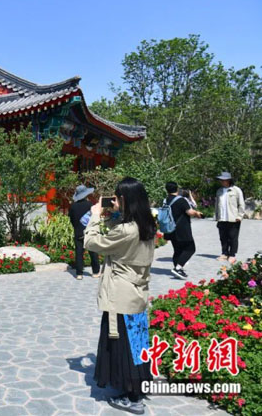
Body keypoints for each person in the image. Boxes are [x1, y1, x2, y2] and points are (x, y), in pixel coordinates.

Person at [84, 177, 155, 414]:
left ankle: (133, 398)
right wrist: (115, 214)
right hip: (137, 293)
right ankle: (138, 387)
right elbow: (121, 233)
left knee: (122, 345)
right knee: (136, 344)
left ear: (124, 199)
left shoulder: (126, 230)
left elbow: (91, 242)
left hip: (120, 295)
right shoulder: (146, 225)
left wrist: (95, 216)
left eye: (116, 198)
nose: (113, 201)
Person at [163, 182, 203, 279]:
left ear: (167, 190)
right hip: (182, 229)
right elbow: (189, 212)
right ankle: (178, 268)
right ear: (177, 189)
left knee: (177, 250)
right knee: (190, 248)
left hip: (170, 228)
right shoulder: (181, 200)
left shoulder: (165, 200)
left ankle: (178, 269)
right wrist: (197, 213)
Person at [68, 184, 100, 280]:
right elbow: (94, 217)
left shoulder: (73, 206)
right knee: (93, 251)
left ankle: (79, 274)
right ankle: (95, 272)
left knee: (79, 253)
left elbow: (72, 220)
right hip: (89, 231)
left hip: (78, 232)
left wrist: (77, 227)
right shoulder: (90, 205)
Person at [214, 172, 245, 263]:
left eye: (223, 180)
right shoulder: (219, 191)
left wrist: (240, 216)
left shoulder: (236, 190)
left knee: (233, 237)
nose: (221, 181)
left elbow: (241, 204)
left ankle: (232, 254)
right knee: (223, 237)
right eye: (220, 180)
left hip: (233, 218)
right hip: (222, 218)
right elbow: (217, 205)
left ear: (228, 180)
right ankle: (224, 253)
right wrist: (216, 216)